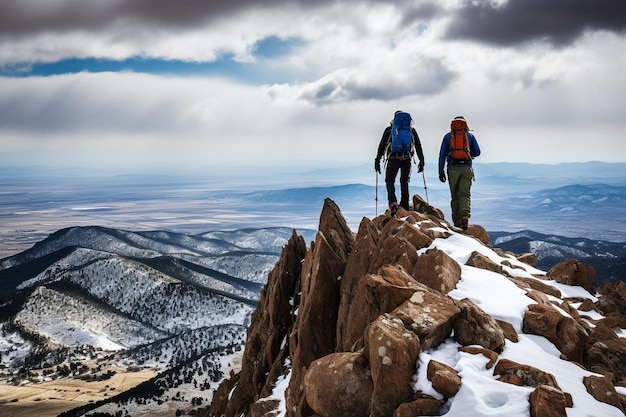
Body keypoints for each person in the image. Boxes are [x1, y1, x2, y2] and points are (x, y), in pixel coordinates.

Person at [374, 111, 425, 214]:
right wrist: (421, 161)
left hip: (393, 158)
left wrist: (377, 160)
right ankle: (405, 205)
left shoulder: (389, 130)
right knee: (404, 181)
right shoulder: (411, 130)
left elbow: (382, 145)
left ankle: (393, 203)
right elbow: (418, 146)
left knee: (389, 180)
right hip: (406, 158)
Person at [438, 115, 481, 230]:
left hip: (453, 168)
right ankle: (465, 216)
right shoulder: (469, 136)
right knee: (465, 194)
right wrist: (468, 153)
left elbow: (442, 155)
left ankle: (457, 223)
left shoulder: (448, 137)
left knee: (455, 195)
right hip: (466, 167)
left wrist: (440, 170)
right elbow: (477, 152)